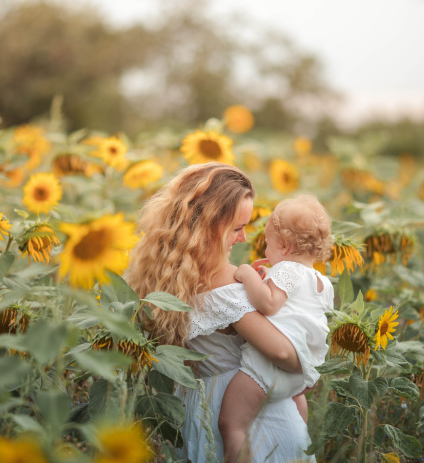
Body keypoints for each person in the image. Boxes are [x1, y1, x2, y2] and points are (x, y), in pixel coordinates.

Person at [124, 162, 315, 462]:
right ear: (209, 225)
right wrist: (308, 366)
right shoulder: (226, 282)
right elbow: (280, 352)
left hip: (200, 408)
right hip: (258, 422)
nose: (242, 239)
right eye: (237, 228)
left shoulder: (167, 277)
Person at [218, 195, 334, 463]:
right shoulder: (321, 282)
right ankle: (297, 452)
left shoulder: (287, 271)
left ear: (283, 245)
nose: (266, 252)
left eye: (267, 244)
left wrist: (247, 274)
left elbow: (269, 305)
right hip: (299, 375)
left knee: (232, 424)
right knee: (294, 419)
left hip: (265, 369)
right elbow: (298, 316)